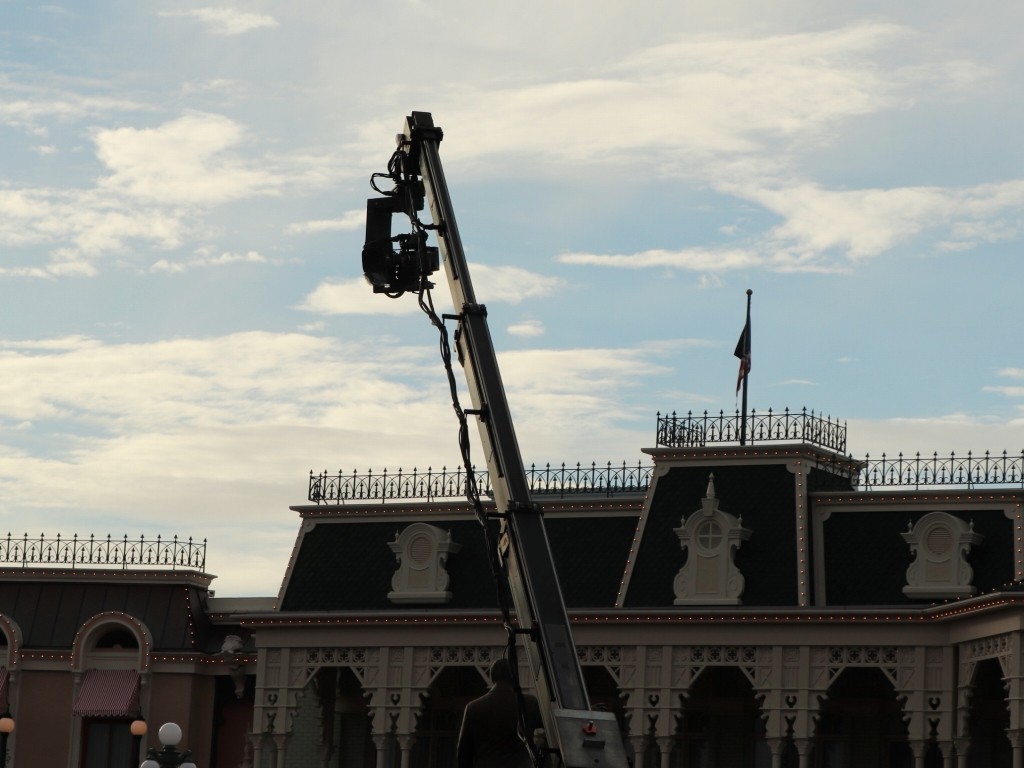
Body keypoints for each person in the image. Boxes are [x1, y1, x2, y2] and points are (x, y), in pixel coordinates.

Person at [457, 658, 543, 768]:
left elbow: (463, 751)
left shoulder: (473, 707)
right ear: (514, 675)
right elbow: (548, 734)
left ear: (492, 676)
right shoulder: (529, 703)